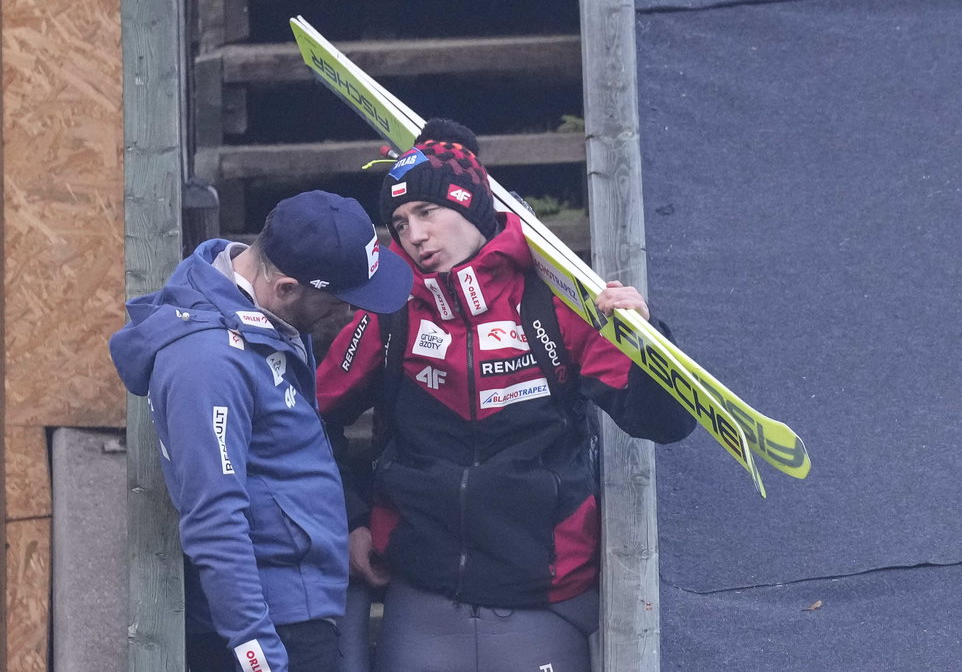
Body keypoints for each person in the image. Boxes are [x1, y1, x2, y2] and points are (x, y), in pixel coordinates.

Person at [317, 119, 697, 672]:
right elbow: (308, 417)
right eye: (399, 223)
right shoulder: (390, 314)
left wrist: (649, 341)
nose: (414, 235)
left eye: (427, 213)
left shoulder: (557, 302)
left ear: (472, 210)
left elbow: (665, 423)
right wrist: (350, 518)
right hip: (424, 598)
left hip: (544, 600)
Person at [109, 190, 414, 672]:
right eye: (339, 300)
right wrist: (258, 654)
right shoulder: (207, 363)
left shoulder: (267, 320)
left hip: (303, 603)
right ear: (288, 288)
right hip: (272, 629)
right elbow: (214, 517)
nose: (351, 314)